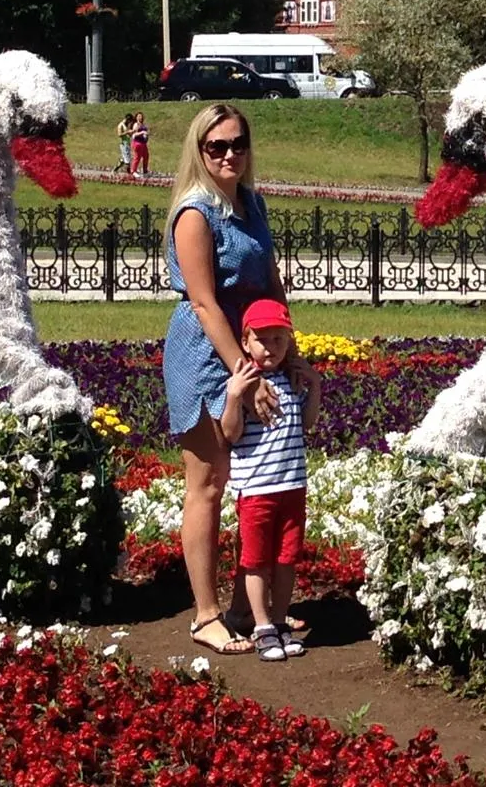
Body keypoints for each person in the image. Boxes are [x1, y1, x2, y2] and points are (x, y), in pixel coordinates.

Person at [163, 103, 316, 656]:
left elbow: (272, 285)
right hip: (208, 354)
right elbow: (204, 303)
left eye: (238, 144)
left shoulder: (251, 203)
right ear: (199, 152)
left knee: (254, 478)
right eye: (216, 147)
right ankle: (206, 614)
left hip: (254, 347)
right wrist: (243, 375)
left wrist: (290, 351)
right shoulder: (195, 214)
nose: (229, 154)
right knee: (208, 481)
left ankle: (246, 607)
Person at [221, 298, 320, 661]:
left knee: (286, 557)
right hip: (257, 489)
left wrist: (315, 386)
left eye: (280, 339)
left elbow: (307, 425)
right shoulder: (245, 383)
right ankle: (261, 624)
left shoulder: (290, 378)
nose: (271, 348)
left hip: (292, 485)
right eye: (262, 339)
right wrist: (234, 397)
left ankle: (278, 620)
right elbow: (230, 434)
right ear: (245, 341)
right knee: (256, 559)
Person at [130, 113, 151, 177]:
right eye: (139, 116)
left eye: (141, 116)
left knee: (146, 156)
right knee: (137, 157)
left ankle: (145, 171)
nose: (140, 117)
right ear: (136, 117)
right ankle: (133, 171)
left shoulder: (144, 125)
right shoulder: (136, 124)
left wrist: (147, 136)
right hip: (137, 142)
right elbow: (134, 134)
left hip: (143, 143)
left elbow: (146, 132)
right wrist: (142, 133)